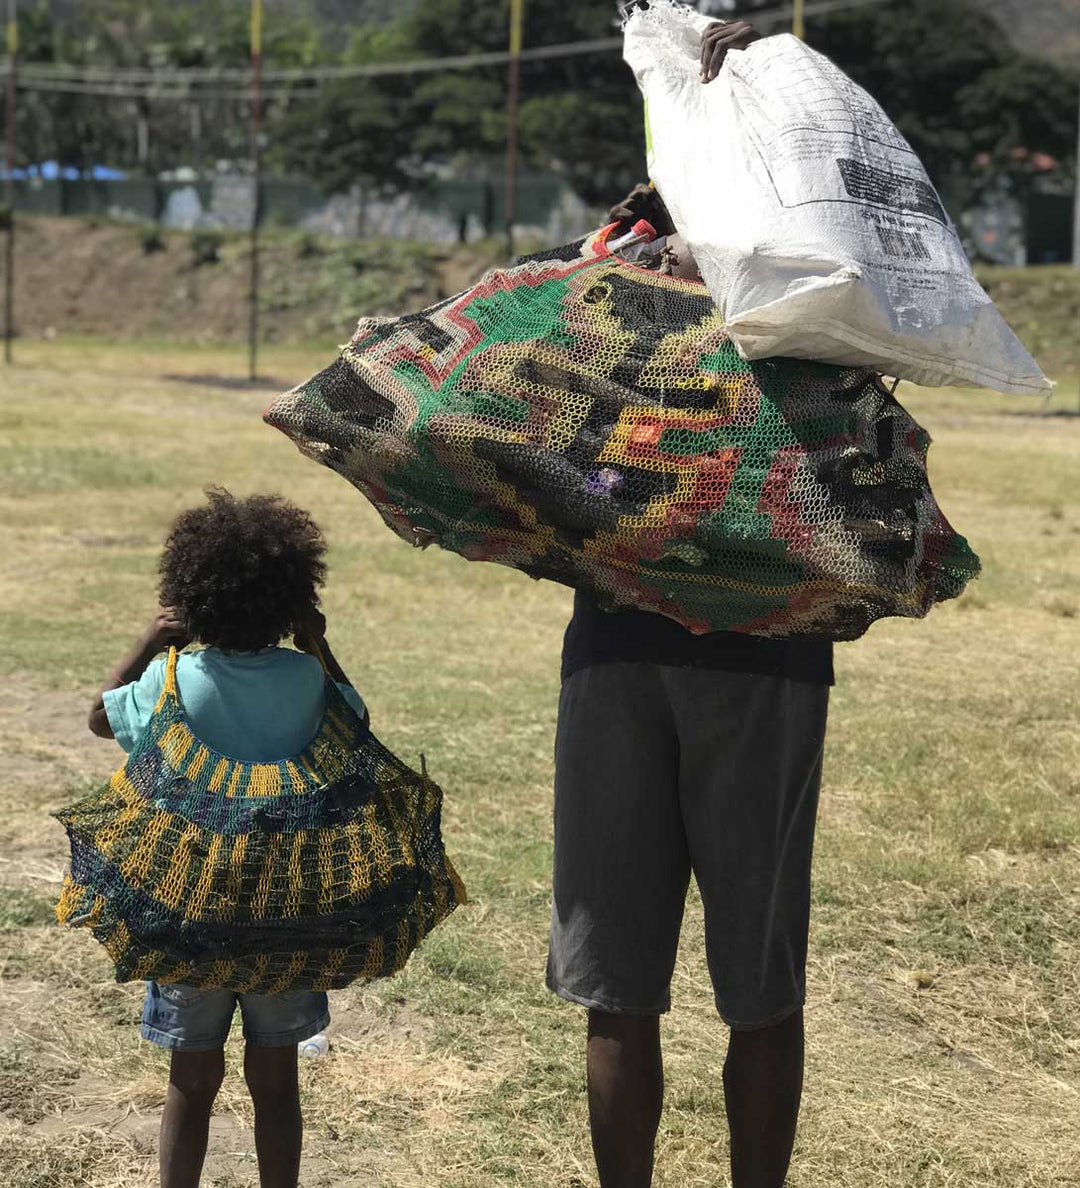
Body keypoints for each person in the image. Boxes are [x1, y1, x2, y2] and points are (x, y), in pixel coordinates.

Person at [545, 19, 830, 1188]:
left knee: (620, 991)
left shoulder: (613, 260)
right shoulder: (819, 269)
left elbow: (540, 412)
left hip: (616, 640)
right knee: (759, 987)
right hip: (768, 657)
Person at [87, 489, 365, 1188]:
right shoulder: (306, 680)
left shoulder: (173, 679)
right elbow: (356, 722)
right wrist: (318, 640)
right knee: (276, 1083)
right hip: (282, 913)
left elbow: (98, 718)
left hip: (190, 911)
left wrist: (151, 640)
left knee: (191, 1080)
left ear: (190, 595)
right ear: (291, 598)